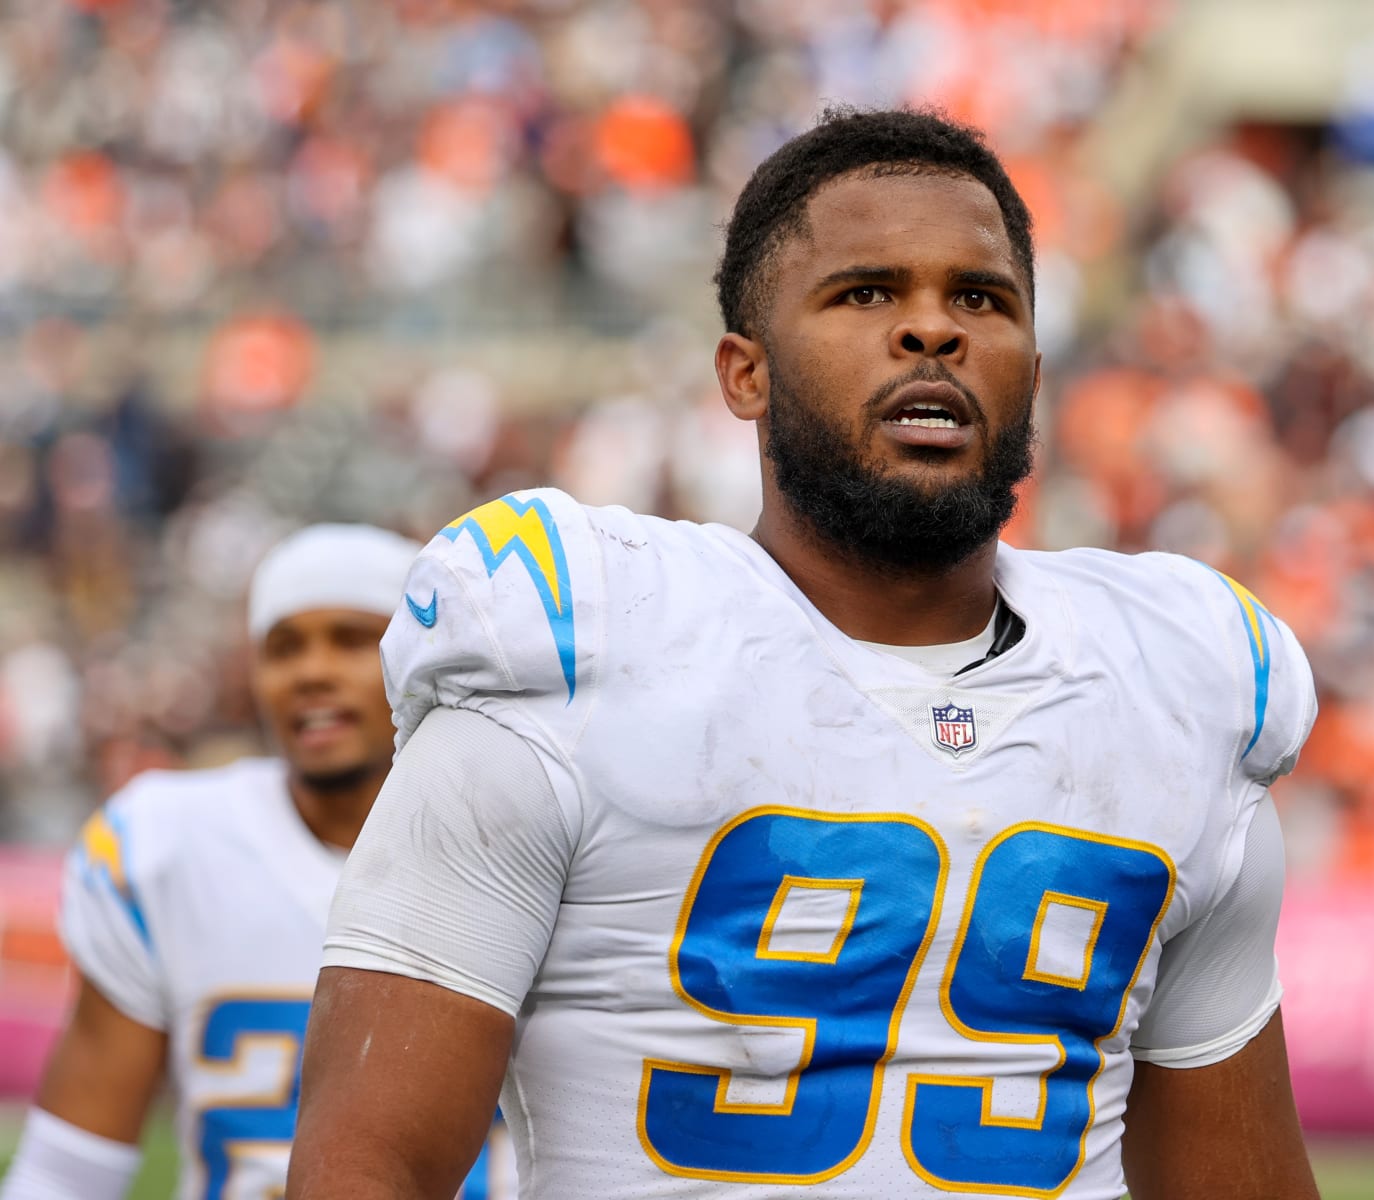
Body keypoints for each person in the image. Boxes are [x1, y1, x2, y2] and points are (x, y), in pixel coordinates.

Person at [291, 108, 1321, 1200]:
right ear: (746, 374)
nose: (934, 330)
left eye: (982, 298)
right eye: (866, 292)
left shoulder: (1177, 687)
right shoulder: (577, 645)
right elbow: (367, 1166)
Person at [0, 526, 514, 1200]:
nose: (312, 671)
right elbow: (68, 1171)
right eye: (283, 647)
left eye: (353, 639)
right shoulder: (168, 845)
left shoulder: (520, 844)